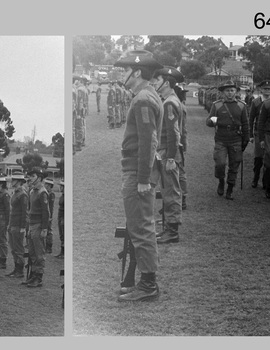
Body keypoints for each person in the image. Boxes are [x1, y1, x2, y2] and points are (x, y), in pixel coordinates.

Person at [114, 50, 163, 302]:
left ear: (136, 72)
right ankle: (145, 282)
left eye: (125, 70)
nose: (122, 74)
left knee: (141, 227)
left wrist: (143, 178)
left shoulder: (143, 98)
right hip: (136, 169)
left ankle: (148, 285)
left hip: (137, 171)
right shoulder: (146, 96)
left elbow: (148, 141)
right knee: (140, 225)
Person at [153, 66, 186, 243]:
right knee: (167, 190)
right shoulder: (170, 100)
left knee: (171, 191)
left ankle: (172, 231)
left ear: (166, 83)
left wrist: (171, 157)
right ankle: (168, 227)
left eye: (157, 80)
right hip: (166, 151)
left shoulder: (169, 103)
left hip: (168, 152)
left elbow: (174, 133)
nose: (155, 83)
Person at [207, 80, 249, 201]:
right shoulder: (217, 105)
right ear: (223, 92)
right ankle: (221, 180)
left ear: (236, 92)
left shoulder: (241, 106)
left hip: (236, 138)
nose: (230, 93)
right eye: (227, 91)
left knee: (234, 165)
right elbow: (208, 121)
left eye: (232, 90)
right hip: (221, 138)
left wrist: (246, 139)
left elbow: (245, 124)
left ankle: (230, 188)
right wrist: (212, 121)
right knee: (220, 163)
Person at [25, 168, 50, 288]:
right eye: (29, 176)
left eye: (32, 176)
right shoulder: (32, 191)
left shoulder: (42, 192)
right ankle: (33, 275)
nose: (30, 178)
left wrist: (45, 229)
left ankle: (38, 277)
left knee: (39, 252)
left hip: (39, 225)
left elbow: (46, 213)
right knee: (32, 252)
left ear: (39, 178)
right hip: (32, 224)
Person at [249, 80, 270, 188]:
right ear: (261, 90)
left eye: (269, 89)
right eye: (265, 89)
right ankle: (255, 177)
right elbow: (251, 119)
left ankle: (266, 181)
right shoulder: (256, 102)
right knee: (258, 157)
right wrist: (250, 135)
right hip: (259, 133)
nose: (267, 91)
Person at [5, 173, 29, 278]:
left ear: (18, 181)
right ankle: (16, 268)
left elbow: (25, 212)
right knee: (13, 248)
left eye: (13, 180)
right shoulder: (16, 193)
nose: (12, 182)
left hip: (18, 225)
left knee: (18, 248)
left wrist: (23, 227)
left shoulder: (22, 194)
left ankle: (19, 270)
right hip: (13, 224)